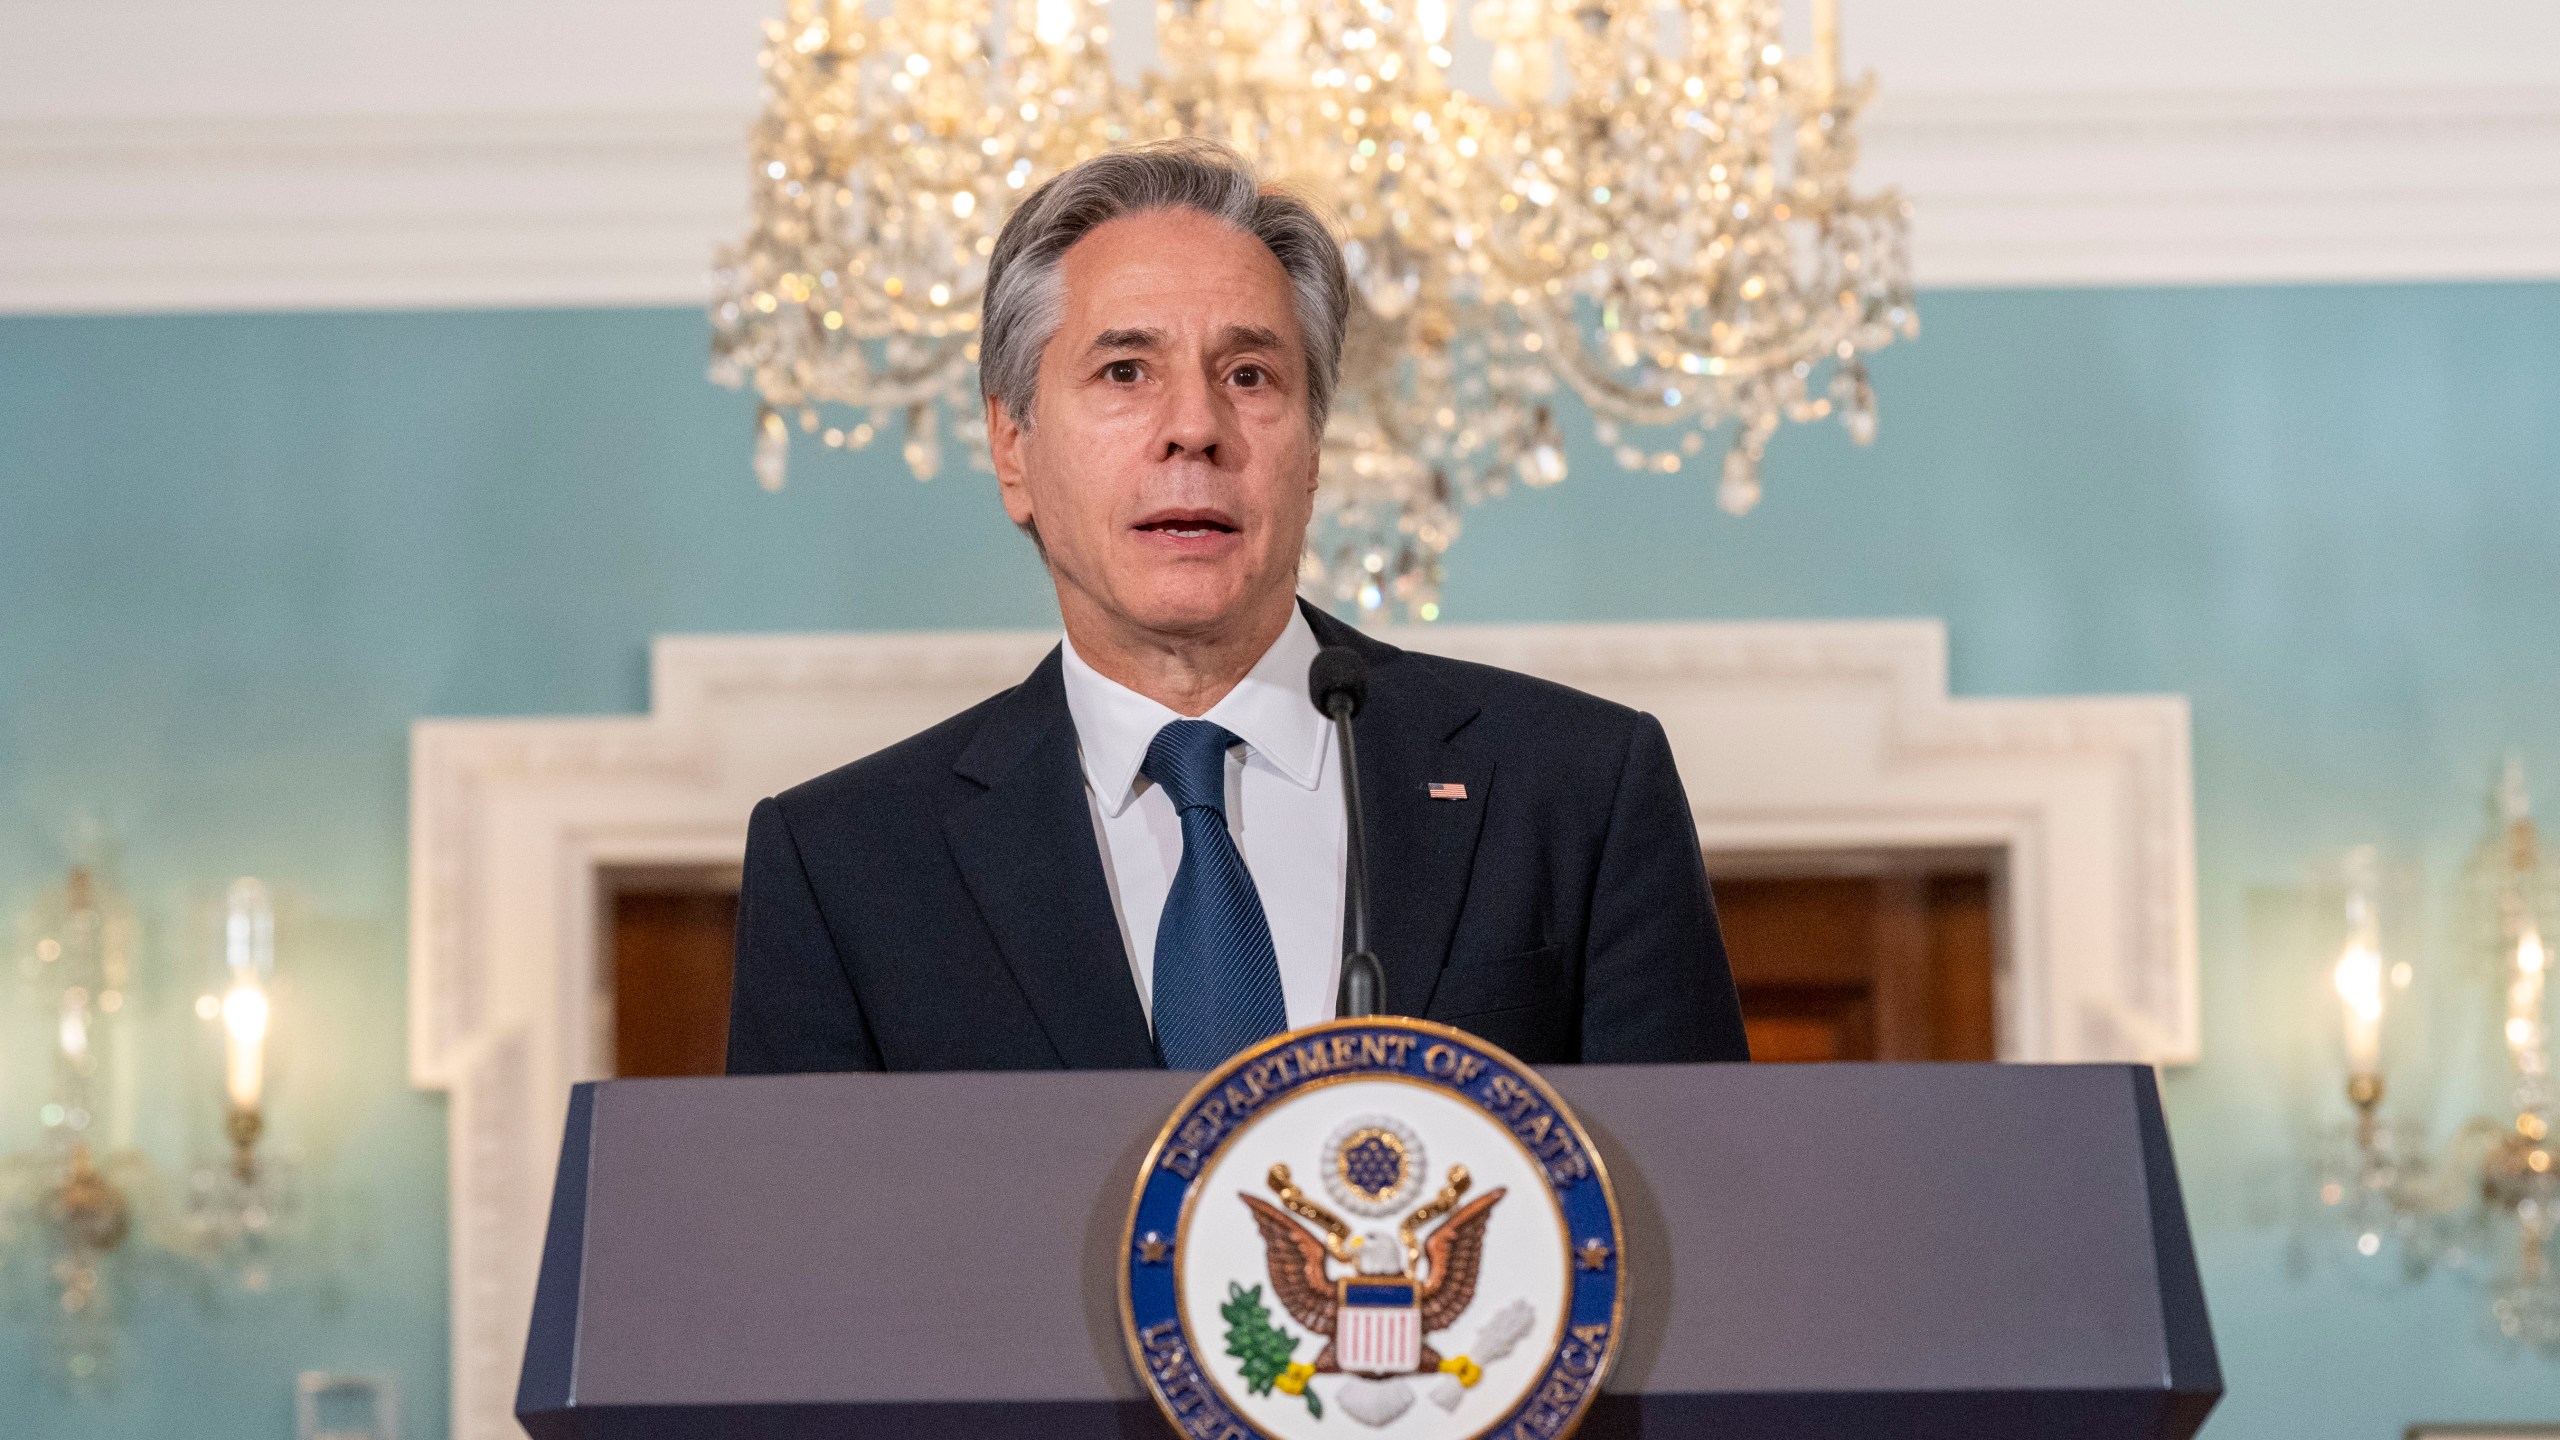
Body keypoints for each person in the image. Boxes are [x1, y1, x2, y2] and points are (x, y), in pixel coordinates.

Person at [725, 139, 1749, 1073]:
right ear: (1012, 447)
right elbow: (800, 1260)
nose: (1194, 429)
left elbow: (1704, 1219)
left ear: (1312, 448)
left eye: (1249, 374)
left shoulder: (1574, 789)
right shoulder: (843, 864)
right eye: (1125, 371)